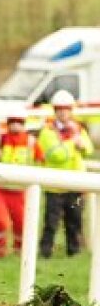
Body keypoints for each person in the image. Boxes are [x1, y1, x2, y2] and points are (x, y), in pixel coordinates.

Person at [35, 90, 94, 258]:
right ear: (55, 111)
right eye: (59, 109)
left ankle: (73, 252)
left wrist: (81, 145)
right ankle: (45, 252)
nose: (63, 112)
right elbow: (55, 155)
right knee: (51, 223)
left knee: (74, 221)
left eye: (66, 109)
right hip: (55, 186)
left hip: (75, 184)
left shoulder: (77, 128)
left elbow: (88, 148)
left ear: (70, 110)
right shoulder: (47, 131)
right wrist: (72, 144)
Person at [0, 110, 41, 258]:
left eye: (19, 122)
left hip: (20, 190)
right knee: (0, 221)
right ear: (8, 123)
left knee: (21, 223)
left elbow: (41, 161)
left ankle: (19, 249)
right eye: (13, 122)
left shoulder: (31, 142)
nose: (16, 125)